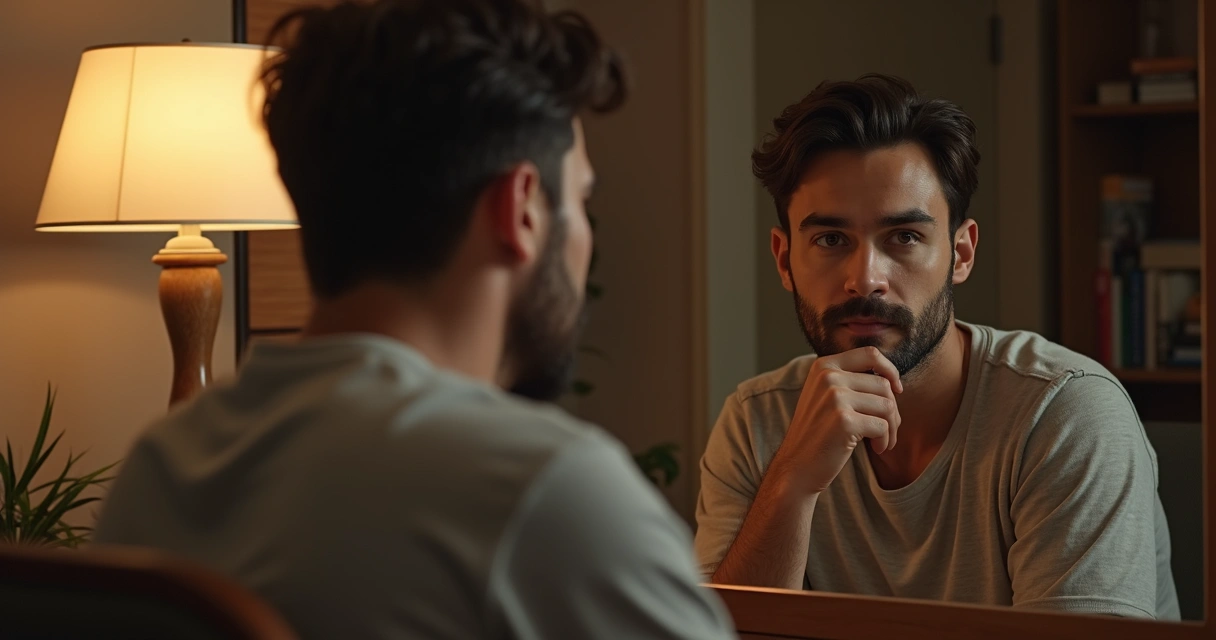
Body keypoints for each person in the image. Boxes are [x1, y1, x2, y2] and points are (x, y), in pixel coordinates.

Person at [93, 1, 736, 638]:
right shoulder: (544, 489)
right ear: (522, 211)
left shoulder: (158, 470)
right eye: (581, 199)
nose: (586, 237)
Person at [694, 73, 1179, 620]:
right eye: (830, 239)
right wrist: (790, 483)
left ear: (961, 253)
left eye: (904, 237)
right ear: (785, 260)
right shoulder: (755, 423)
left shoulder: (1066, 414)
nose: (865, 279)